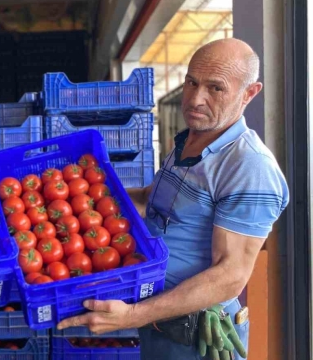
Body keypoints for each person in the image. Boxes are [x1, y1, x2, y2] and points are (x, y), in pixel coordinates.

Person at [57, 38, 289, 359]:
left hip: (198, 339)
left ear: (249, 93)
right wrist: (83, 196)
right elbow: (154, 200)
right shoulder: (190, 140)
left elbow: (230, 276)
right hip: (159, 322)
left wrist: (134, 315)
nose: (195, 99)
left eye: (215, 88)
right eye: (191, 82)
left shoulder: (249, 168)